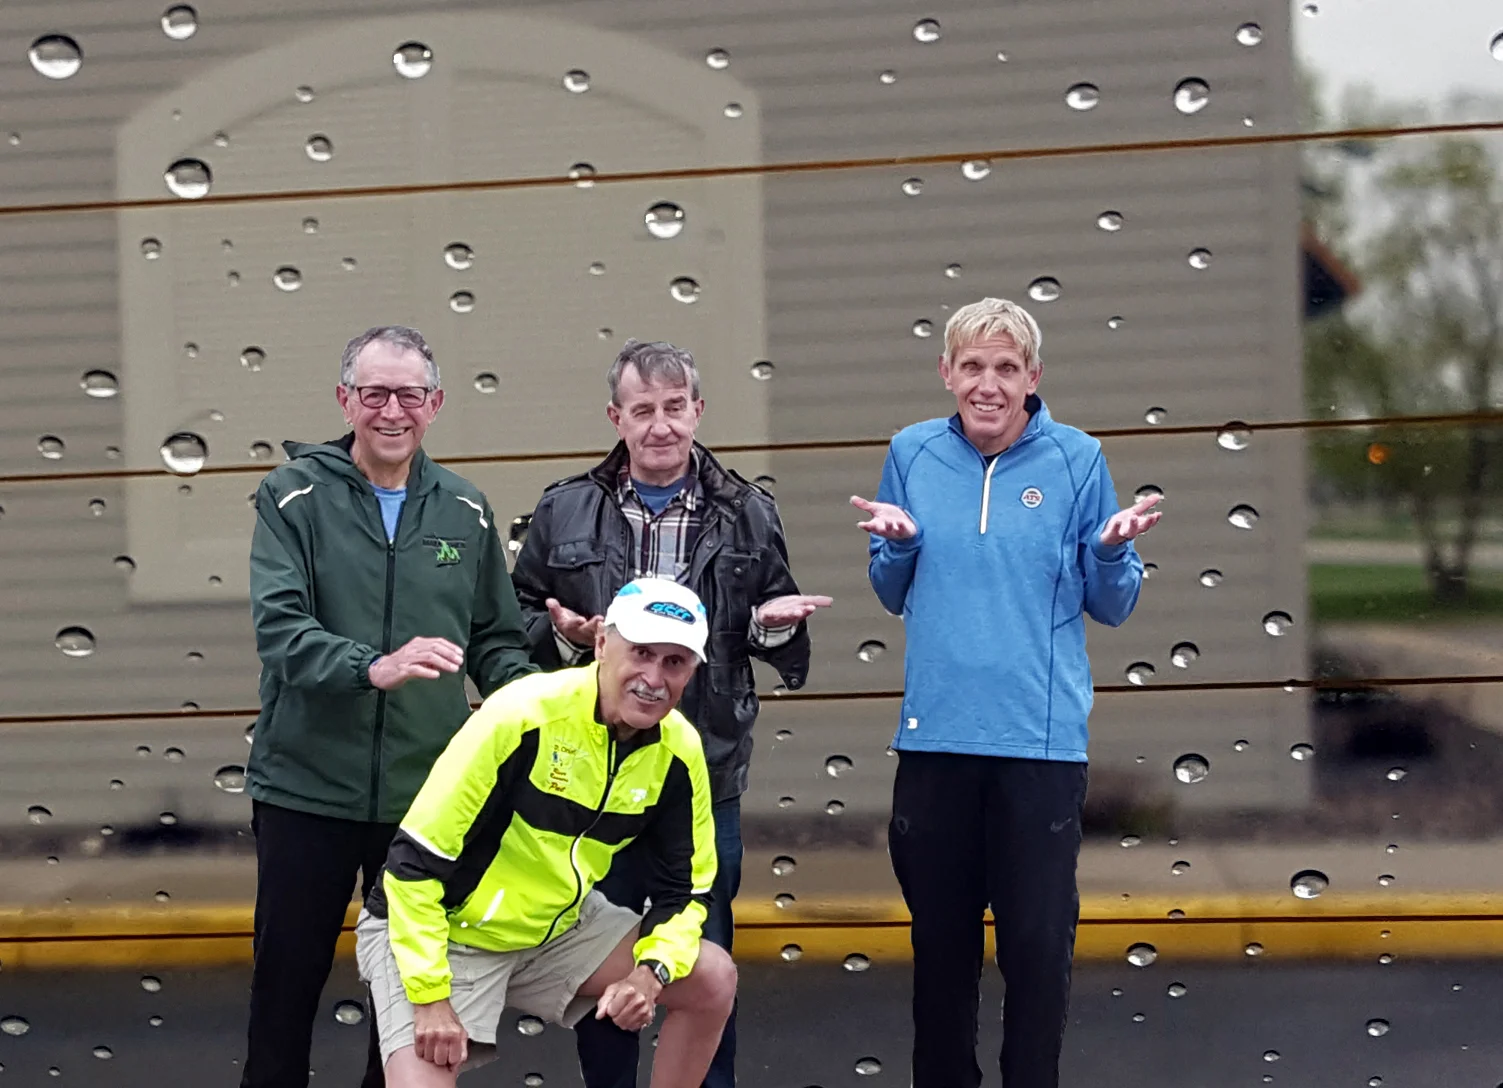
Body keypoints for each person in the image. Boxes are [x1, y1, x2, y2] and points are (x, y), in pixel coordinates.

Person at [851, 297, 1161, 1088]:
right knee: (940, 954)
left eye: (1005, 368)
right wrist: (899, 547)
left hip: (1038, 749)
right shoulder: (911, 453)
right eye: (972, 366)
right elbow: (890, 591)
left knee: (1035, 950)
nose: (987, 384)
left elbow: (1113, 605)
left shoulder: (1078, 459)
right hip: (933, 742)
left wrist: (1109, 552)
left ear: (1032, 377)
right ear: (946, 373)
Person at [509, 338, 829, 1088]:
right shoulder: (563, 508)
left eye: (675, 408)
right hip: (593, 776)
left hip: (703, 770)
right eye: (644, 410)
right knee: (599, 955)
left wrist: (770, 627)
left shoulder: (748, 511)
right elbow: (513, 621)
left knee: (703, 955)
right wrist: (565, 635)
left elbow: (782, 640)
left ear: (698, 411)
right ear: (616, 418)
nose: (661, 426)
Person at [243, 324, 535, 1088]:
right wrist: (372, 666)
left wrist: (543, 697)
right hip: (305, 787)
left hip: (424, 795)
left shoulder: (465, 509)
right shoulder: (291, 496)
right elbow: (280, 629)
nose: (392, 411)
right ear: (345, 400)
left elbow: (494, 639)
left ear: (434, 404)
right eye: (374, 394)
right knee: (285, 990)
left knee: (407, 996)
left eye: (409, 394)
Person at [355, 577, 737, 1088]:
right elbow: (412, 869)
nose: (653, 678)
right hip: (443, 932)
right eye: (641, 653)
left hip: (555, 929)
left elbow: (686, 893)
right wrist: (430, 999)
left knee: (712, 976)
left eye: (675, 662)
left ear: (691, 671)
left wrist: (650, 974)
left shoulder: (679, 750)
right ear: (601, 644)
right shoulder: (522, 715)